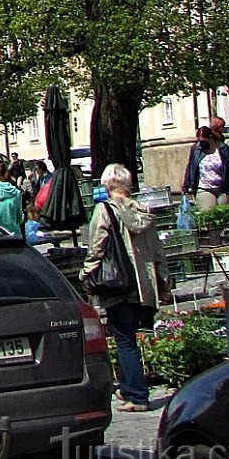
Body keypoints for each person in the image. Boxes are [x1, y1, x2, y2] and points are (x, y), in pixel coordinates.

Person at [82, 162, 171, 412]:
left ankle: (137, 395)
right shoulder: (144, 211)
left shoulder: (104, 210)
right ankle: (130, 387)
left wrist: (86, 273)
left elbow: (96, 246)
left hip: (117, 283)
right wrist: (164, 284)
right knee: (131, 337)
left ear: (108, 184)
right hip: (143, 285)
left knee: (124, 340)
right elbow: (158, 251)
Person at [180, 121, 229, 210]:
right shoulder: (196, 149)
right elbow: (191, 167)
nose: (201, 144)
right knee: (209, 211)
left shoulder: (223, 148)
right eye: (199, 141)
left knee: (224, 214)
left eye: (203, 141)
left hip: (222, 189)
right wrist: (186, 185)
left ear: (210, 137)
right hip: (204, 188)